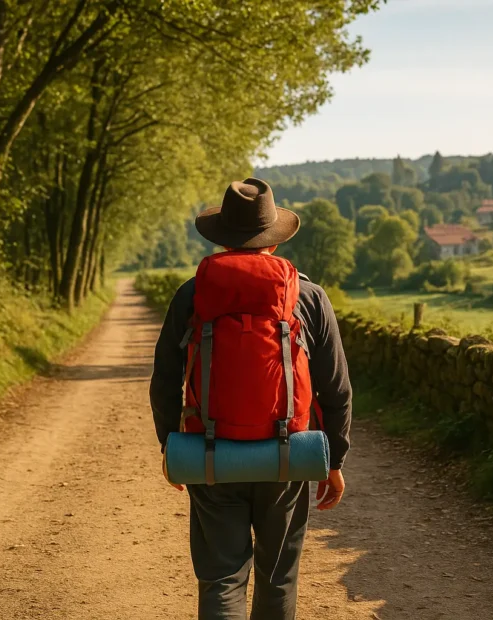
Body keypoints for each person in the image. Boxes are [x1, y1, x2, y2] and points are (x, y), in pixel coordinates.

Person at [150, 177, 352, 620]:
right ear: (273, 241)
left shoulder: (192, 293)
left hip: (208, 452)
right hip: (286, 454)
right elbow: (336, 387)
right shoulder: (309, 296)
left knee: (221, 576)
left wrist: (171, 447)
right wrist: (333, 459)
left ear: (221, 237)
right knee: (278, 574)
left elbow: (164, 379)